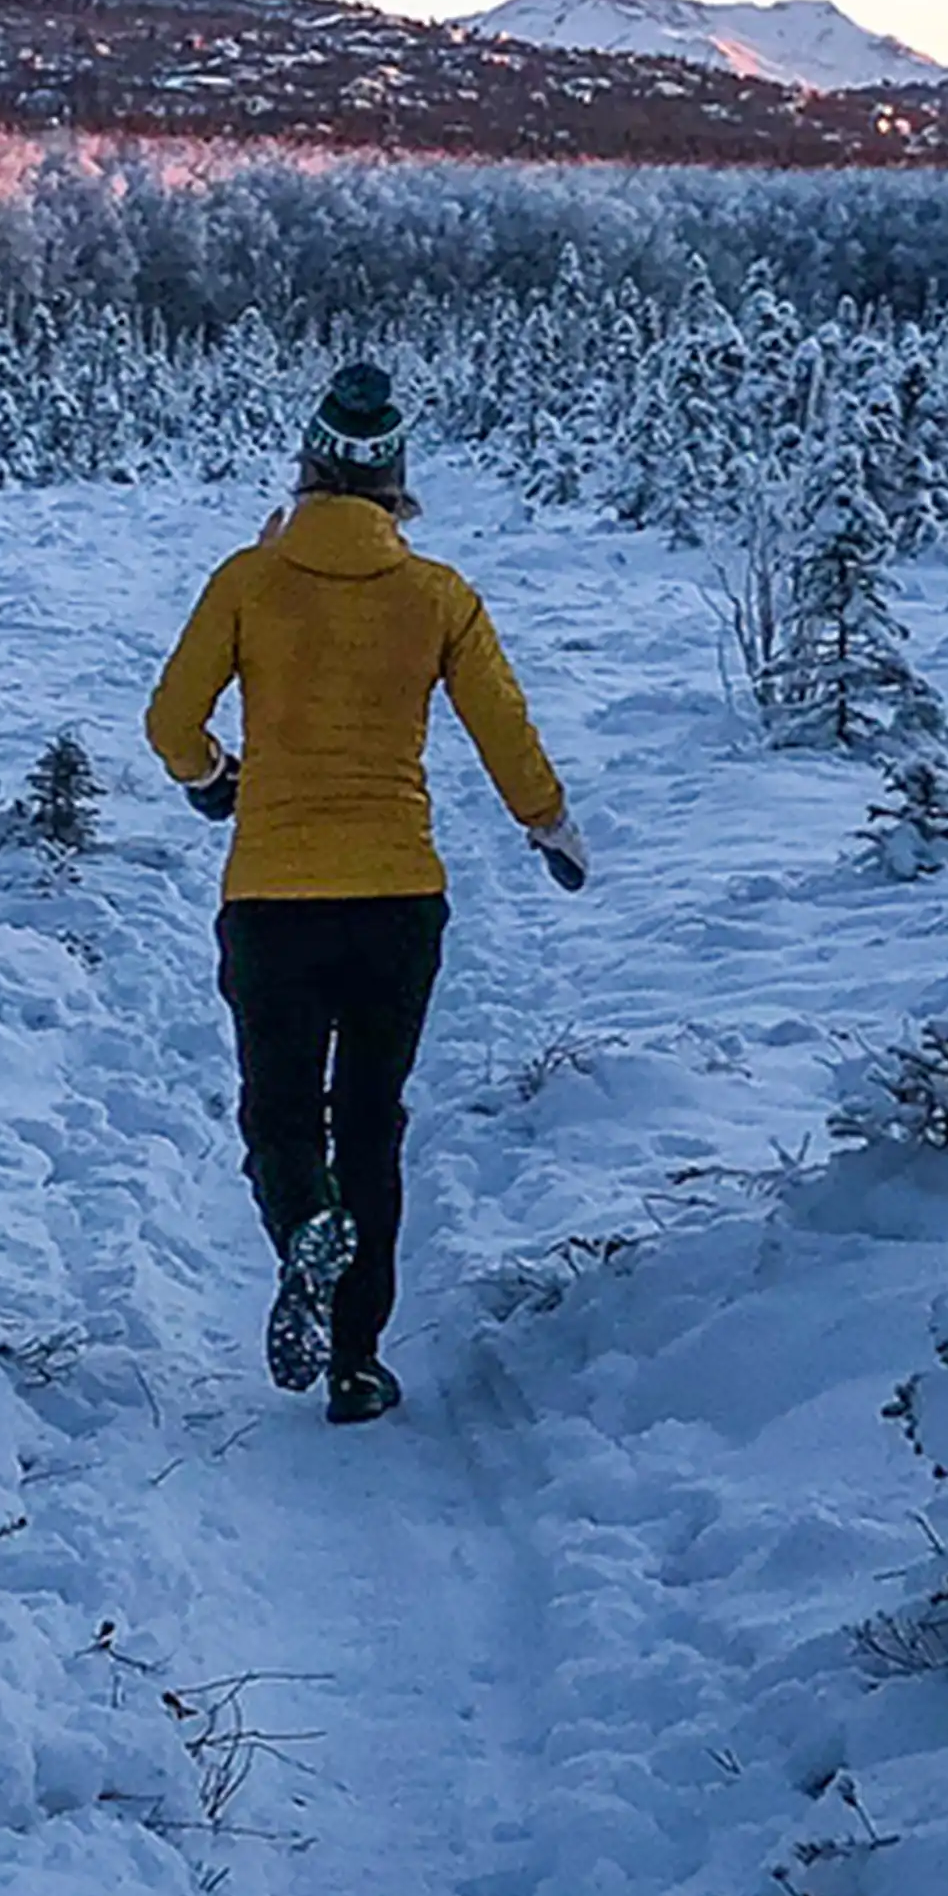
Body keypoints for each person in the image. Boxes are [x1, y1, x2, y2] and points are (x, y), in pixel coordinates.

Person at [144, 361, 585, 1425]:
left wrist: (216, 781)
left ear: (305, 470)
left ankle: (303, 1223)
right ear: (397, 484)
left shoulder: (247, 583)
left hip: (273, 901)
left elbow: (170, 725)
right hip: (398, 901)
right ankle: (355, 1363)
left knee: (282, 1115)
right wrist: (548, 826)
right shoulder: (439, 597)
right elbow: (502, 728)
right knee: (372, 1123)